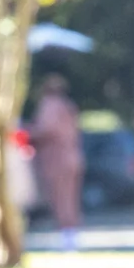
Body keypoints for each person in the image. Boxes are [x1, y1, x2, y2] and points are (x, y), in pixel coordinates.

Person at [30, 74, 86, 251]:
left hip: (57, 159)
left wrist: (25, 130)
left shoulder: (49, 106)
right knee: (72, 198)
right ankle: (72, 237)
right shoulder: (69, 106)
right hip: (74, 157)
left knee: (60, 199)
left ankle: (67, 240)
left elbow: (46, 129)